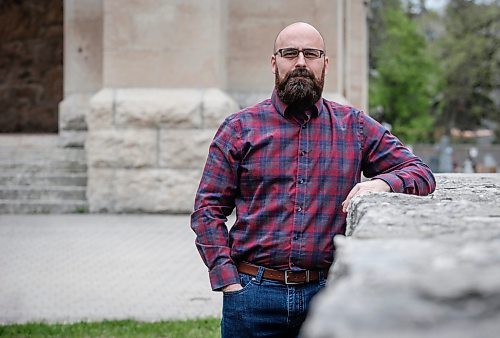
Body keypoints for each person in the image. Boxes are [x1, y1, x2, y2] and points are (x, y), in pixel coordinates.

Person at [191, 22, 436, 338]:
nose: (301, 62)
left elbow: (421, 174)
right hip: (252, 297)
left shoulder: (355, 127)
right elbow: (207, 210)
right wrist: (228, 279)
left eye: (311, 53)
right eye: (290, 53)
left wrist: (382, 184)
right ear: (274, 62)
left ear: (325, 63)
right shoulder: (239, 128)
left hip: (327, 294)